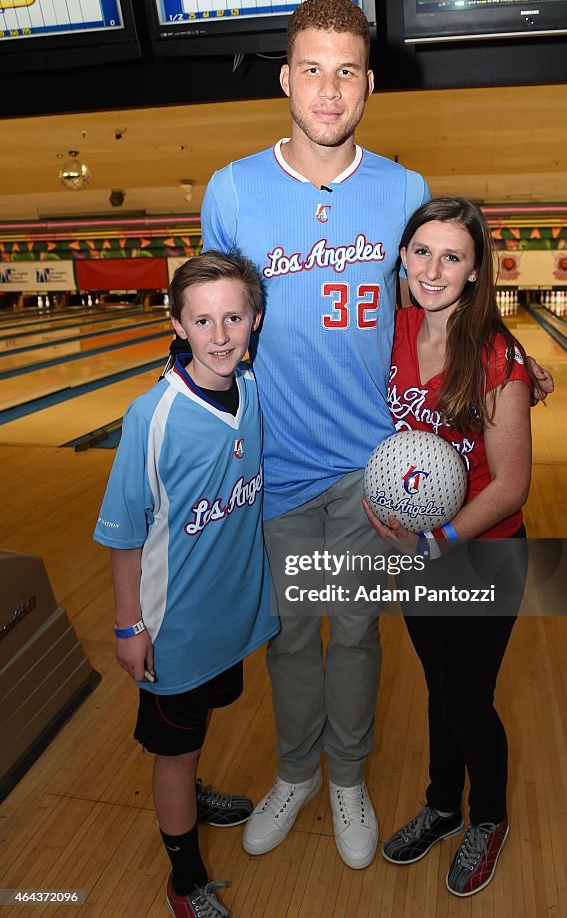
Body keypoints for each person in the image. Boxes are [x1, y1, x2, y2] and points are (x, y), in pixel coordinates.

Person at [200, 0, 553, 871]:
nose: (328, 90)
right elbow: (212, 328)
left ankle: (349, 779)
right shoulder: (232, 189)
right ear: (285, 78)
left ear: (369, 83)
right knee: (287, 637)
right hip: (272, 468)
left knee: (355, 634)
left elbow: (433, 311)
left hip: (375, 475)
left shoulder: (403, 190)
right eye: (311, 69)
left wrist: (510, 361)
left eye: (346, 71)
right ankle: (295, 773)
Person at [94, 252, 279, 918]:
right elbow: (122, 533)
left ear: (255, 321)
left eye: (234, 317)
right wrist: (127, 625)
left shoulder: (253, 391)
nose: (221, 334)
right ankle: (185, 875)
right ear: (178, 323)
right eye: (203, 320)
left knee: (192, 734)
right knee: (173, 751)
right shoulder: (155, 416)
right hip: (171, 629)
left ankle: (191, 786)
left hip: (230, 619)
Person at [364, 197, 532, 897]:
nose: (433, 268)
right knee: (440, 690)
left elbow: (512, 485)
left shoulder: (496, 354)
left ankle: (486, 818)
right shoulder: (393, 329)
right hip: (418, 552)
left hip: (483, 552)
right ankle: (441, 803)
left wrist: (439, 538)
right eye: (422, 251)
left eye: (452, 256)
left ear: (473, 272)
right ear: (402, 258)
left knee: (466, 699)